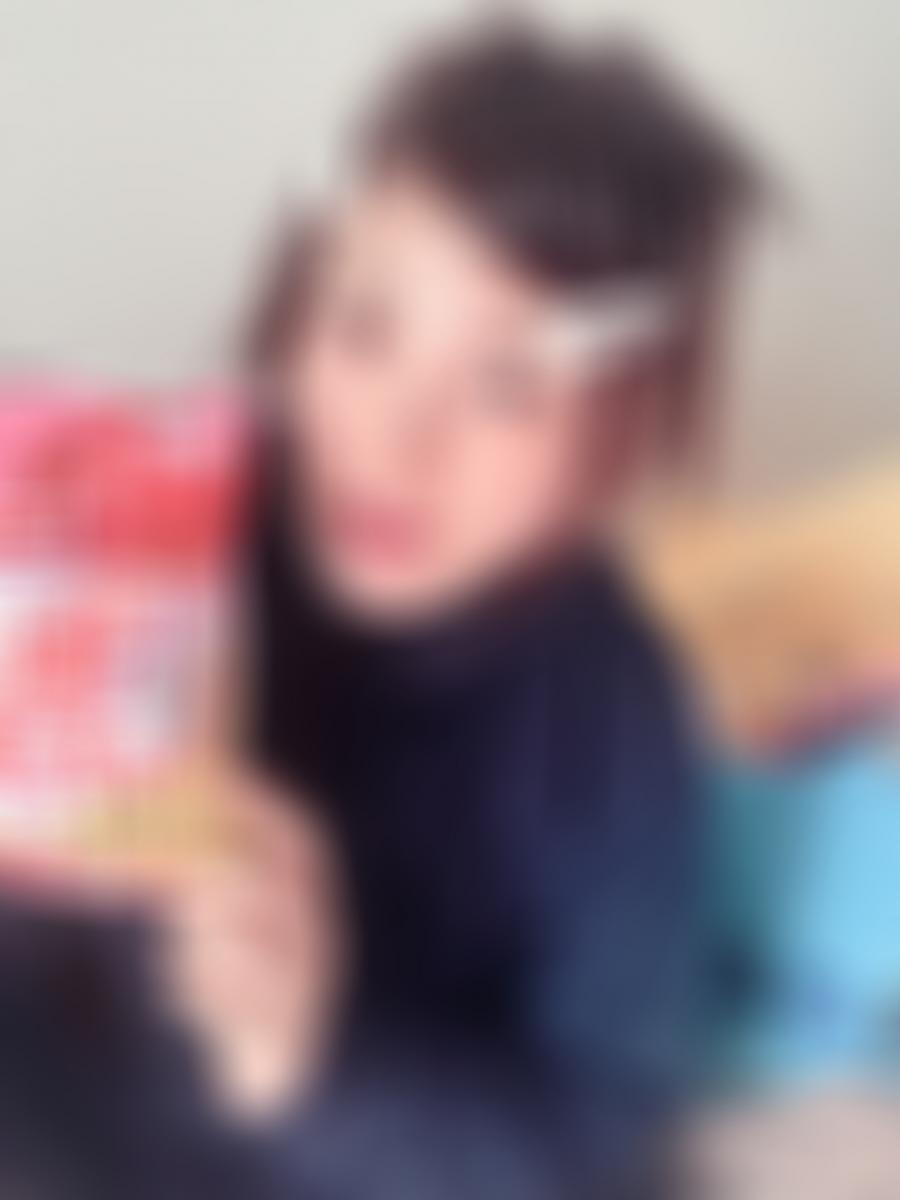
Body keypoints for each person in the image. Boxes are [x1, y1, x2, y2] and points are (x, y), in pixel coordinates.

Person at [0, 24, 757, 1200]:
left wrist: (314, 1072)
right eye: (364, 329)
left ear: (623, 438)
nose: (399, 442)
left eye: (505, 385)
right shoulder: (159, 534)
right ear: (294, 319)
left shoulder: (609, 722)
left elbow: (598, 1121)